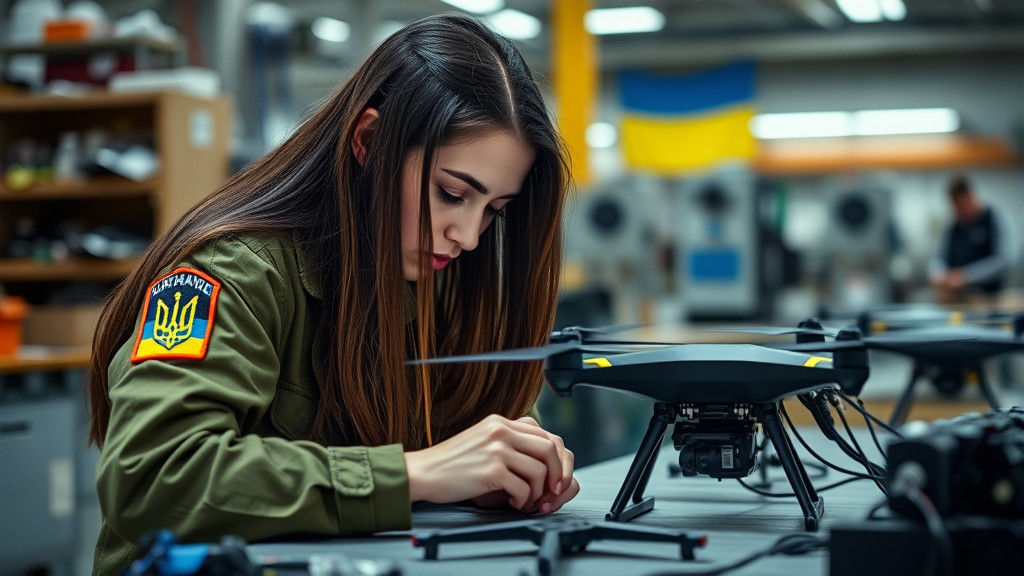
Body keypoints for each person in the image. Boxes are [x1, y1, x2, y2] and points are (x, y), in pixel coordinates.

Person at [86, 15, 577, 576]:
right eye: (451, 194)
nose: (467, 237)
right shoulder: (233, 274)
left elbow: (487, 443)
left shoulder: (444, 286)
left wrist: (509, 470)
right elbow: (152, 478)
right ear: (368, 141)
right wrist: (414, 475)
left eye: (494, 211)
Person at [928, 174, 1013, 302]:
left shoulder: (993, 219)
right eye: (955, 206)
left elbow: (1003, 260)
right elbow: (938, 258)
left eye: (961, 205)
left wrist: (967, 276)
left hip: (989, 299)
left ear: (970, 196)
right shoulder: (953, 226)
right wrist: (938, 274)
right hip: (958, 299)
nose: (958, 211)